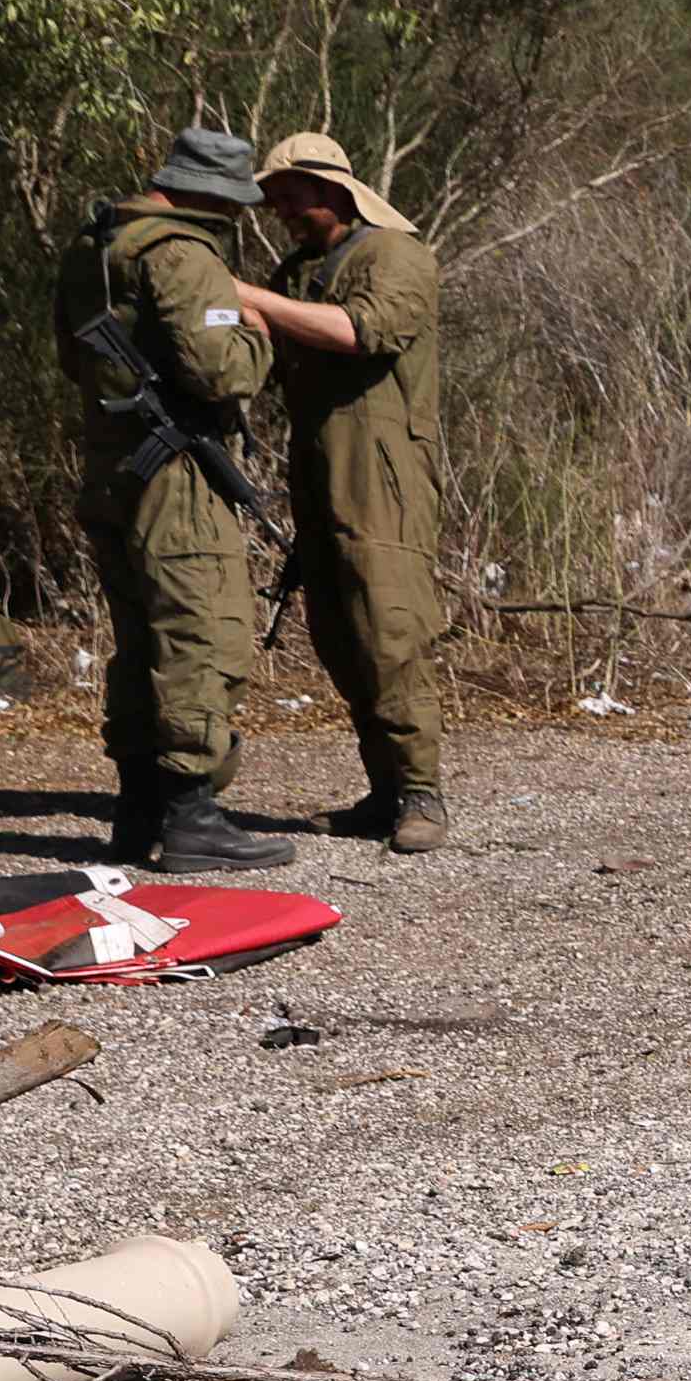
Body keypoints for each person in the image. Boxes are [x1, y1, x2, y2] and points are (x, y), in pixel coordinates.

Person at [49, 126, 289, 874]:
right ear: (208, 193)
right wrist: (260, 336)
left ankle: (137, 810)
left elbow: (70, 360)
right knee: (199, 633)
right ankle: (192, 816)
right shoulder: (183, 253)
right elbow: (221, 373)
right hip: (178, 478)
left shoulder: (93, 248)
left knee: (139, 640)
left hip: (112, 468)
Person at [242, 131, 453, 852]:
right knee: (338, 633)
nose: (278, 211)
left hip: (382, 472)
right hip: (319, 468)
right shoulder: (302, 268)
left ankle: (423, 794)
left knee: (389, 631)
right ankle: (385, 790)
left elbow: (364, 330)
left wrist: (251, 299)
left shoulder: (396, 254)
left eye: (287, 195)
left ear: (329, 188)